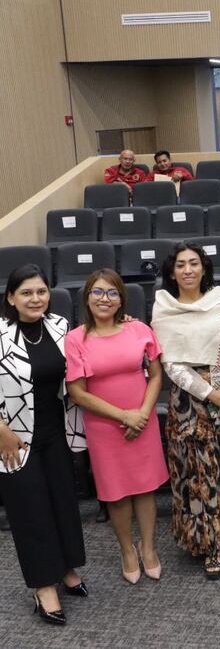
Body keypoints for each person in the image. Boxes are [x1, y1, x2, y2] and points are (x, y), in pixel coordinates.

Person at [150, 243, 220, 580]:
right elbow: (171, 364)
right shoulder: (164, 308)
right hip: (191, 402)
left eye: (194, 264)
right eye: (181, 265)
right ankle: (209, 542)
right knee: (201, 475)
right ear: (172, 272)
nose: (188, 270)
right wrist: (209, 393)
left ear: (204, 268)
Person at [65, 270, 168, 583]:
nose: (104, 299)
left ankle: (148, 548)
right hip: (105, 426)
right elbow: (77, 391)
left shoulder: (138, 328)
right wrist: (125, 417)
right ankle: (126, 550)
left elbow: (156, 374)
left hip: (143, 417)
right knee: (117, 492)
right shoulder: (76, 338)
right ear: (87, 298)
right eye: (97, 292)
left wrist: (143, 413)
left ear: (121, 298)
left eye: (111, 293)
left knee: (146, 487)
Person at [0, 265, 87, 624]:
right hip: (13, 437)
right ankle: (43, 586)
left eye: (41, 292)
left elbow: (89, 348)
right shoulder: (0, 334)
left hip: (57, 430)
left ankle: (66, 566)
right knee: (29, 509)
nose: (35, 299)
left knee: (62, 501)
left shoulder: (60, 326)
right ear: (10, 298)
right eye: (26, 293)